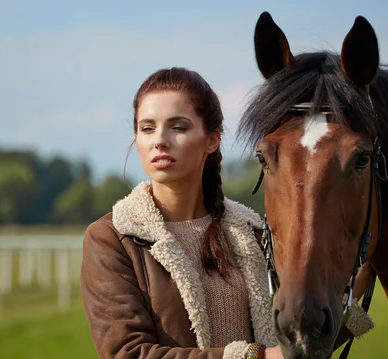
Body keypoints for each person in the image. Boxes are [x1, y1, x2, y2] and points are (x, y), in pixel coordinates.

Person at [79, 67, 284, 358]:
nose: (159, 140)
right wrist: (255, 357)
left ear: (211, 141)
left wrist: (350, 310)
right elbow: (128, 353)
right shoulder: (111, 238)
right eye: (147, 128)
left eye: (178, 127)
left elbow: (298, 339)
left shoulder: (252, 232)